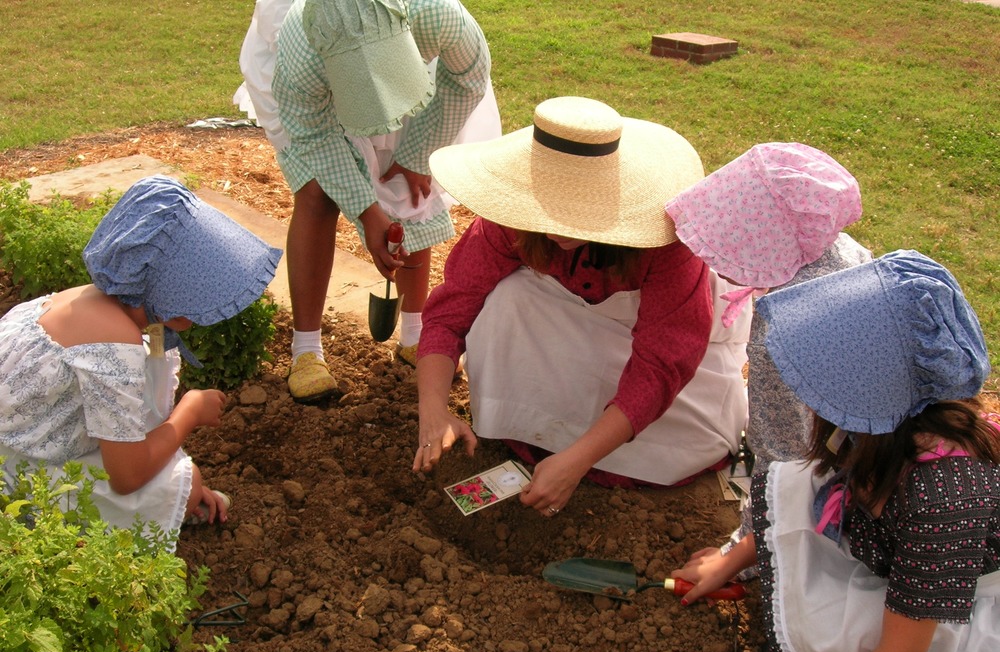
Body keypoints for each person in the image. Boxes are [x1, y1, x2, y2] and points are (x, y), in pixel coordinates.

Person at [671, 251, 1000, 652]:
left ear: (870, 391)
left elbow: (905, 649)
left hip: (952, 608)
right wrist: (728, 561)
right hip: (893, 553)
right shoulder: (871, 429)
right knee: (797, 482)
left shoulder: (946, 496)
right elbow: (815, 490)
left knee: (867, 648)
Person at [412, 96, 752, 516]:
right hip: (565, 336)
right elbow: (452, 309)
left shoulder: (668, 243)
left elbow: (663, 363)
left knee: (679, 446)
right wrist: (433, 410)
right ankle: (533, 430)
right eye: (548, 211)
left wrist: (578, 459)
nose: (559, 227)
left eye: (577, 212)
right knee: (506, 298)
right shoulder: (510, 217)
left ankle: (580, 447)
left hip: (651, 356)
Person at [234, 0, 501, 403]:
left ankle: (415, 331)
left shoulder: (434, 15)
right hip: (312, 86)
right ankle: (306, 350)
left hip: (412, 65)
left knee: (411, 182)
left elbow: (467, 78)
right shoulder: (299, 51)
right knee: (316, 191)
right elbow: (315, 139)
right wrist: (366, 209)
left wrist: (416, 155)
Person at [0, 176, 282, 550]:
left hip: (23, 447)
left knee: (178, 480)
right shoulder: (112, 343)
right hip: (18, 480)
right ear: (165, 282)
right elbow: (127, 476)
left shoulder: (79, 301)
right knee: (179, 483)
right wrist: (189, 412)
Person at [665, 142, 873, 573]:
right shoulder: (841, 255)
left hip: (862, 496)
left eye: (723, 246)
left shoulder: (782, 336)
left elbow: (785, 462)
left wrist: (738, 556)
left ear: (761, 251)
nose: (707, 257)